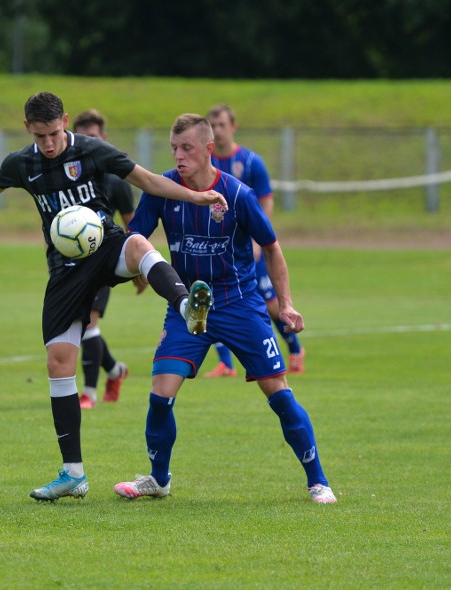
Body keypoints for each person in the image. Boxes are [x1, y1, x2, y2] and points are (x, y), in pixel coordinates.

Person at [0, 92, 225, 501]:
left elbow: (147, 181)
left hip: (105, 247)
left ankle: (186, 306)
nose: (50, 143)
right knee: (59, 363)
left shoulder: (93, 151)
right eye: (40, 136)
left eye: (55, 134)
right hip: (64, 270)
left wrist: (195, 196)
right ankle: (73, 473)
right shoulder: (23, 163)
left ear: (66, 122)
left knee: (138, 244)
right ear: (28, 129)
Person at [114, 114, 336, 504]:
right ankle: (158, 479)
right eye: (174, 148)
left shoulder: (237, 195)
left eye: (187, 148)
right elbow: (136, 236)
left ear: (208, 150)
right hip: (187, 306)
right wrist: (135, 264)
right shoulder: (164, 190)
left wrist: (285, 304)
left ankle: (317, 480)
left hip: (239, 305)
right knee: (159, 395)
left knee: (279, 395)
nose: (179, 156)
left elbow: (271, 246)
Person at [203, 103, 305, 378]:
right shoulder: (205, 163)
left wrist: (259, 243)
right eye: (213, 126)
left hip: (248, 248)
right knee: (213, 300)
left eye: (223, 125)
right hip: (218, 248)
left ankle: (295, 348)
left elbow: (265, 204)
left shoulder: (249, 162)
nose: (218, 131)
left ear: (233, 127)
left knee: (271, 304)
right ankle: (226, 363)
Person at [72, 109, 135, 409]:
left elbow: (134, 225)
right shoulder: (67, 177)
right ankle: (114, 370)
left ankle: (88, 393)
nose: (88, 144)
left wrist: (139, 267)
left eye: (93, 138)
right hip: (70, 263)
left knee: (87, 325)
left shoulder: (116, 180)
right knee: (79, 324)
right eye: (83, 138)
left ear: (104, 139)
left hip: (102, 261)